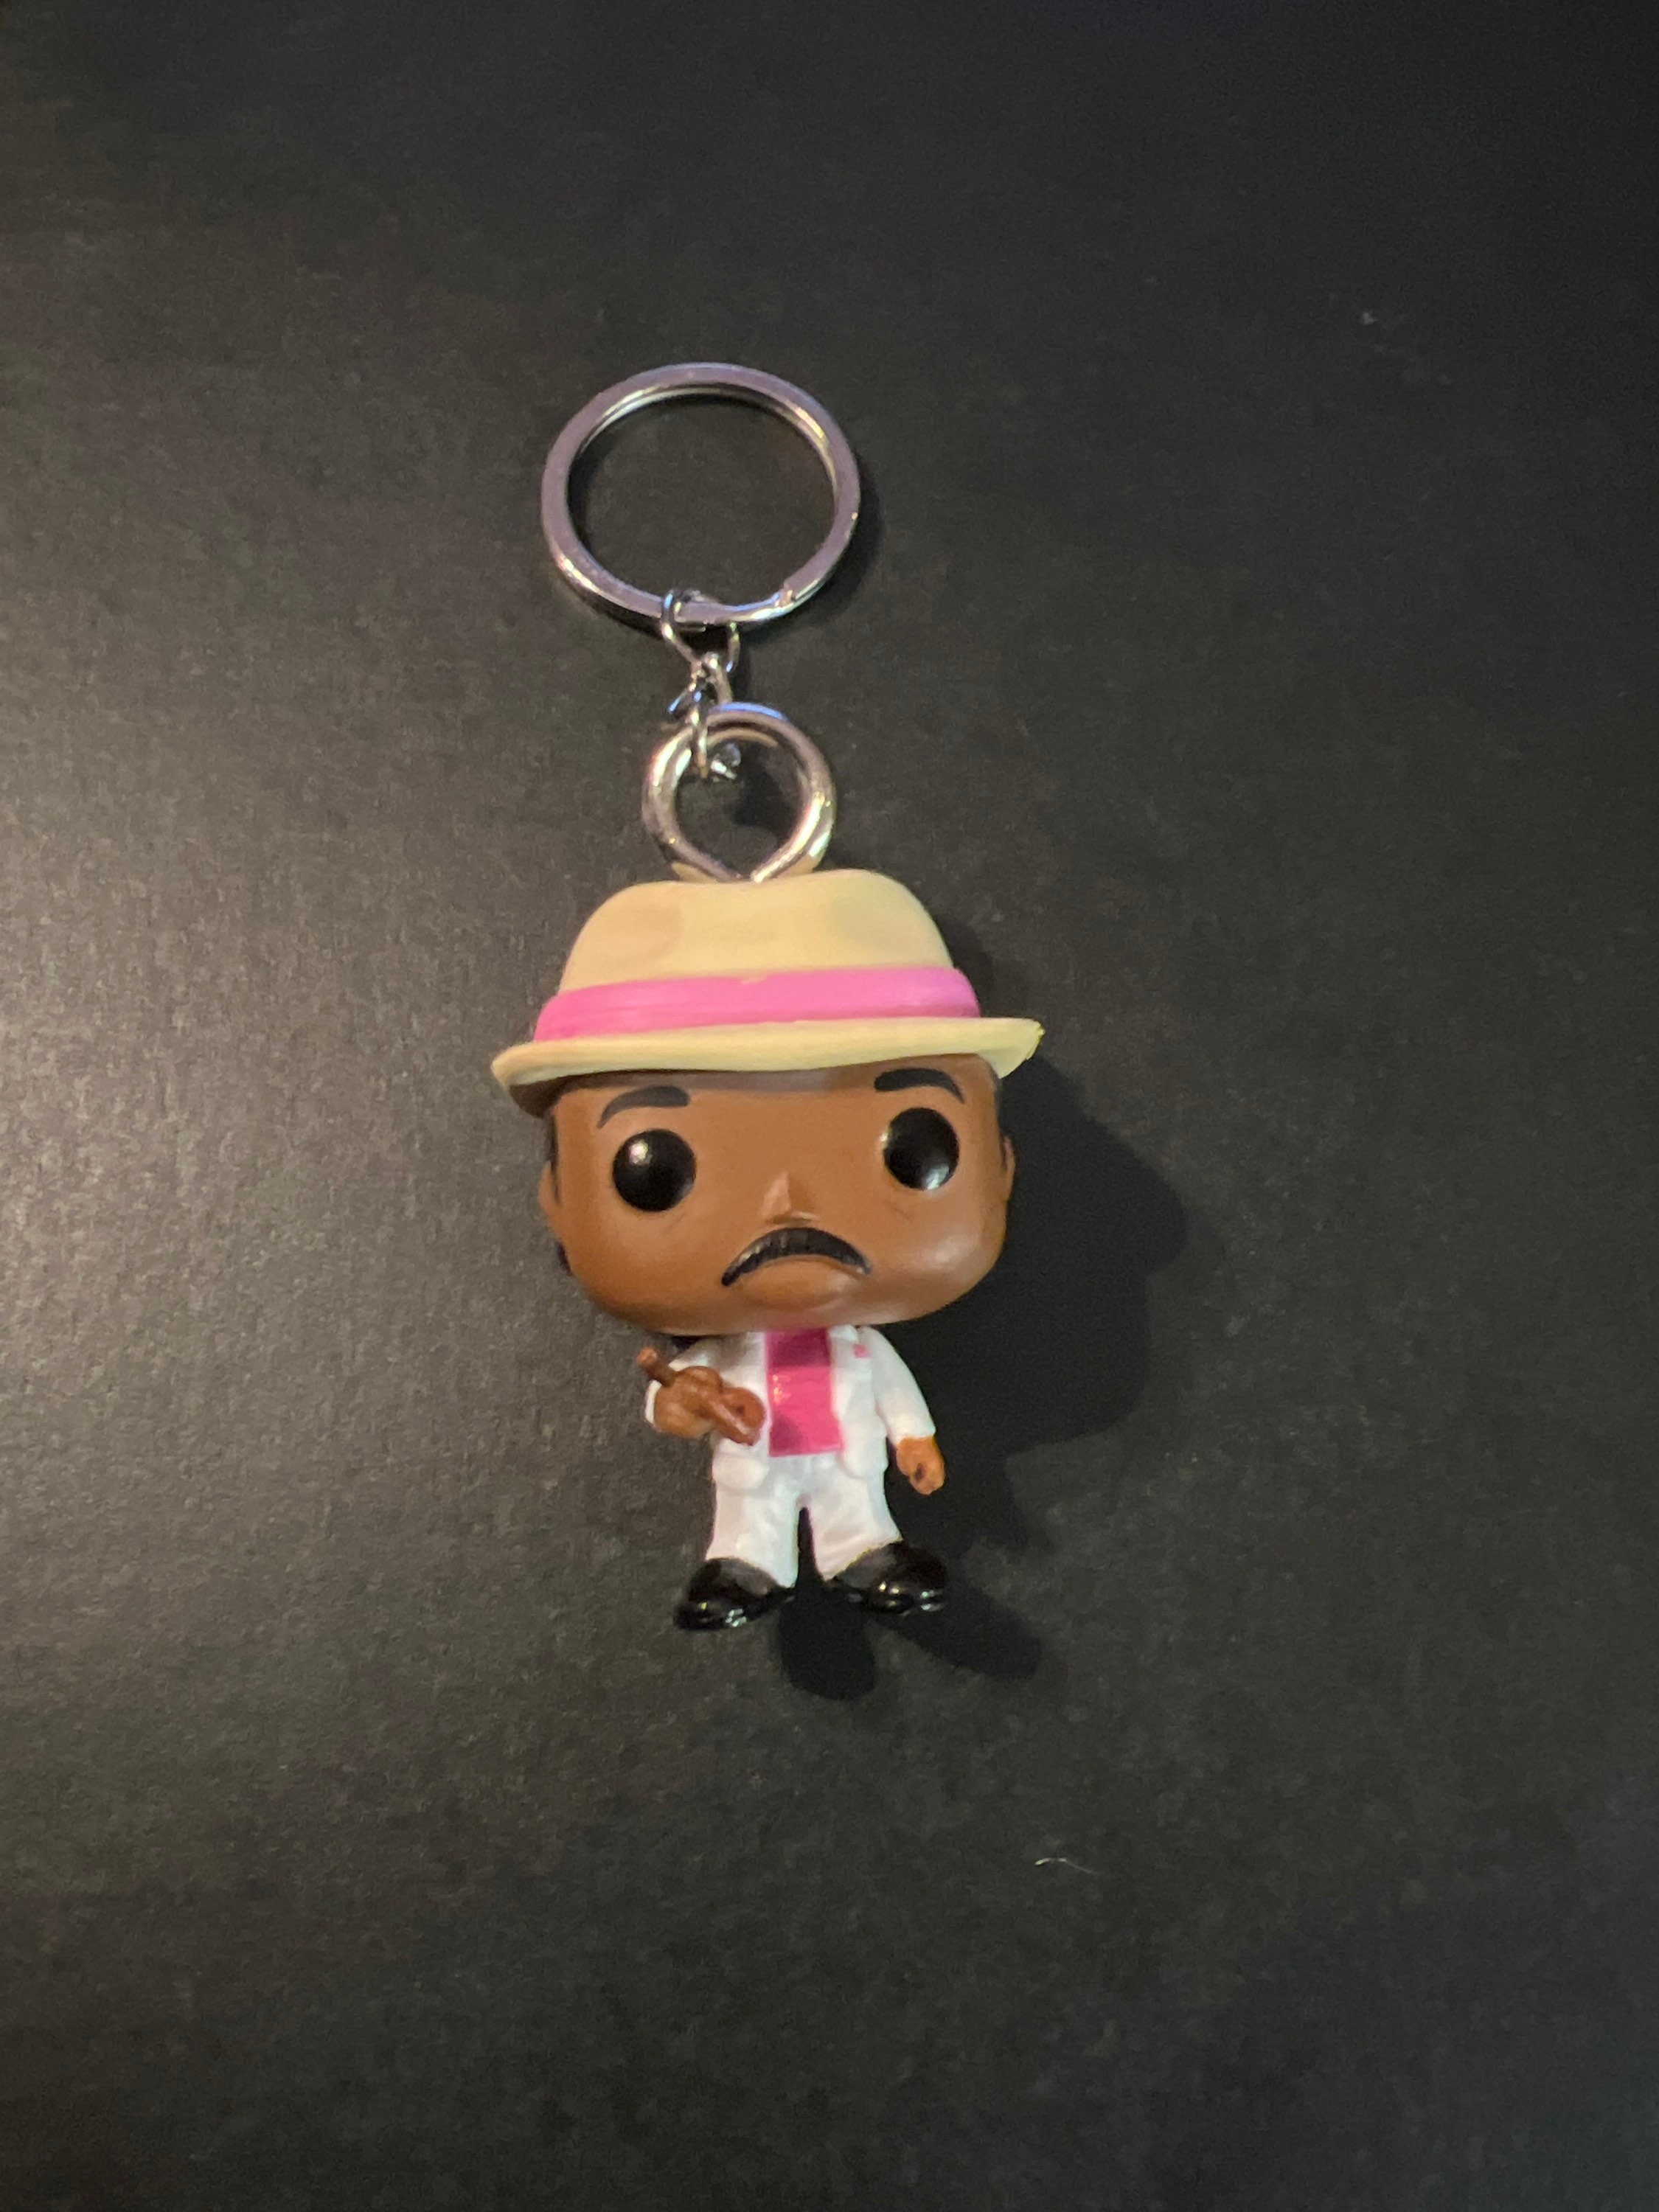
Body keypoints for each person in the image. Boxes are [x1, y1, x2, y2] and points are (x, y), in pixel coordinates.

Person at [493, 869, 1041, 1631]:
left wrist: (914, 1436)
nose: (789, 1201)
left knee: (857, 1509)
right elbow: (679, 1394)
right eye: (657, 1171)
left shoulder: (860, 1347)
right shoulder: (728, 1351)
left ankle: (866, 1554)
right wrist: (680, 1402)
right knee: (752, 1517)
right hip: (758, 1458)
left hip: (847, 1457)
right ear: (558, 1198)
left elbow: (891, 1389)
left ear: (1003, 1167)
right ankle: (748, 1568)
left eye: (915, 1151)